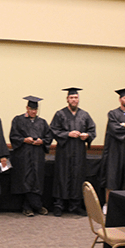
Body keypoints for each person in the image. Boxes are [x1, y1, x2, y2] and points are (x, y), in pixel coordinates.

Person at [50, 88, 96, 216]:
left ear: (78, 99)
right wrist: (68, 134)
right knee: (62, 176)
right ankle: (59, 205)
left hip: (79, 151)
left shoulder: (84, 115)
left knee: (77, 176)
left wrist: (87, 135)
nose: (74, 100)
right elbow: (53, 130)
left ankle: (75, 205)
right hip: (64, 151)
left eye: (76, 97)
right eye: (71, 98)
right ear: (67, 99)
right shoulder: (60, 114)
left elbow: (92, 130)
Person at [9, 96, 53, 217]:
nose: (33, 111)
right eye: (31, 109)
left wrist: (42, 141)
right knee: (26, 181)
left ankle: (29, 207)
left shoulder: (42, 122)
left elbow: (48, 137)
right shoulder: (18, 120)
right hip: (23, 156)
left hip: (38, 155)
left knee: (37, 180)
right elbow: (13, 136)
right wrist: (24, 140)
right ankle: (36, 206)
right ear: (27, 108)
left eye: (35, 109)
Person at [101, 87, 125, 208]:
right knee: (112, 179)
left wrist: (124, 124)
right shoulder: (113, 113)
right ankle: (108, 205)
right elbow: (114, 129)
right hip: (115, 151)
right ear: (120, 100)